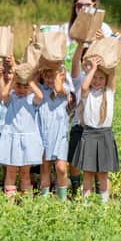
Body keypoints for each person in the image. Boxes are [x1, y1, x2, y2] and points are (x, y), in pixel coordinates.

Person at [71, 57, 119, 203]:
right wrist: (92, 69)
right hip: (89, 135)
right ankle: (86, 205)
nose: (97, 81)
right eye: (95, 78)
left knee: (103, 174)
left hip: (104, 135)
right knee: (88, 173)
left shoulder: (109, 93)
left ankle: (104, 207)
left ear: (106, 80)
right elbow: (84, 87)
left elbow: (112, 72)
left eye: (101, 78)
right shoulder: (87, 94)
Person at [0, 59, 44, 196]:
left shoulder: (32, 99)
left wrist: (28, 80)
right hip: (12, 137)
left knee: (25, 172)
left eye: (25, 87)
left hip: (27, 139)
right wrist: (13, 79)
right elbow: (3, 94)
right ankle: (9, 203)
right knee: (11, 171)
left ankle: (26, 201)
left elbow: (40, 95)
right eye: (19, 86)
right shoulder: (11, 98)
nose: (22, 89)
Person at [36, 67, 70, 200]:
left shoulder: (64, 89)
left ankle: (62, 199)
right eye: (47, 77)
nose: (50, 80)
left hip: (60, 134)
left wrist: (58, 72)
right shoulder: (41, 90)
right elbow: (30, 78)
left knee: (61, 168)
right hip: (44, 133)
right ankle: (44, 198)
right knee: (45, 167)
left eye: (53, 77)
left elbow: (58, 87)